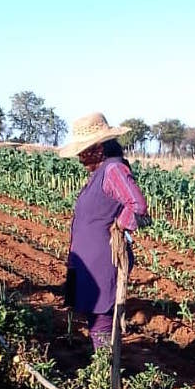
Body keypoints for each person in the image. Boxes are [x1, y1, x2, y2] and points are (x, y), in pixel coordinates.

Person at [59, 112, 151, 350]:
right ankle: (104, 369)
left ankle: (106, 371)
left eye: (84, 150)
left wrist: (119, 227)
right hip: (90, 260)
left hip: (104, 258)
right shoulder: (101, 171)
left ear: (99, 148)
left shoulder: (113, 170)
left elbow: (137, 204)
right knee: (95, 317)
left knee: (101, 319)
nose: (80, 156)